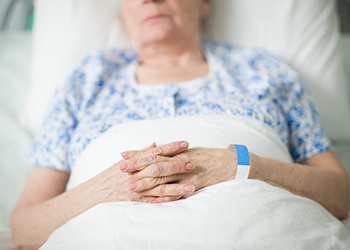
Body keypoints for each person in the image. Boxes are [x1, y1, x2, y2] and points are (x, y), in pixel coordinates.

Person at [10, 0, 349, 249]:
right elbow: (24, 229)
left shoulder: (262, 70)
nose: (150, 0)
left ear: (203, 4)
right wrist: (105, 190)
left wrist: (238, 164)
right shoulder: (87, 79)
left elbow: (340, 195)